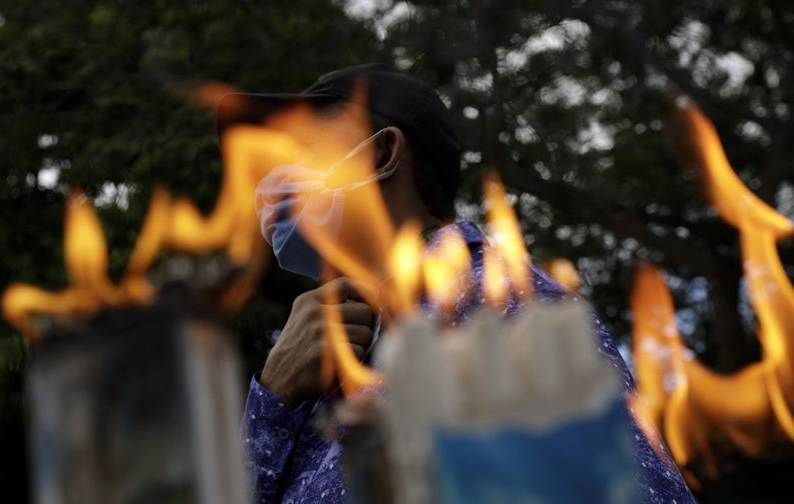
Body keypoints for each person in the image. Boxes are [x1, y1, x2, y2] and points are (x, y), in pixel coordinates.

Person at [218, 63, 694, 503]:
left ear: (381, 153)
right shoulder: (314, 367)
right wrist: (271, 401)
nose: (269, 179)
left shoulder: (511, 311)